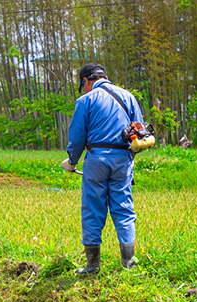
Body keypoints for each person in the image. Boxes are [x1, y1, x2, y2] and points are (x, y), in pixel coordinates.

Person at [61, 63, 143, 275]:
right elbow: (139, 129)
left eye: (83, 86)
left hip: (96, 159)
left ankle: (92, 266)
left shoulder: (85, 100)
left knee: (92, 210)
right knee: (124, 209)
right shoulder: (128, 97)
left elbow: (77, 136)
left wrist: (72, 161)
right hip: (123, 159)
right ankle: (129, 265)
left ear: (85, 81)